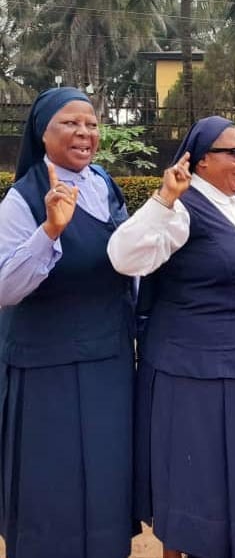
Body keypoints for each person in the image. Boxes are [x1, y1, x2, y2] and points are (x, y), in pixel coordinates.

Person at [107, 116, 235, 558]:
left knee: (230, 481)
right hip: (188, 371)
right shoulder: (180, 208)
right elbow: (123, 257)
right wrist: (163, 199)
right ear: (200, 161)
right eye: (233, 152)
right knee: (190, 482)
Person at [0, 87, 135, 558]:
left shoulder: (103, 183)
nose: (85, 133)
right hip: (48, 368)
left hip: (108, 363)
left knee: (104, 478)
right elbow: (4, 288)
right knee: (51, 486)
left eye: (92, 124)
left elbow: (125, 260)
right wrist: (50, 230)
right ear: (42, 132)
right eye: (70, 123)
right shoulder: (23, 198)